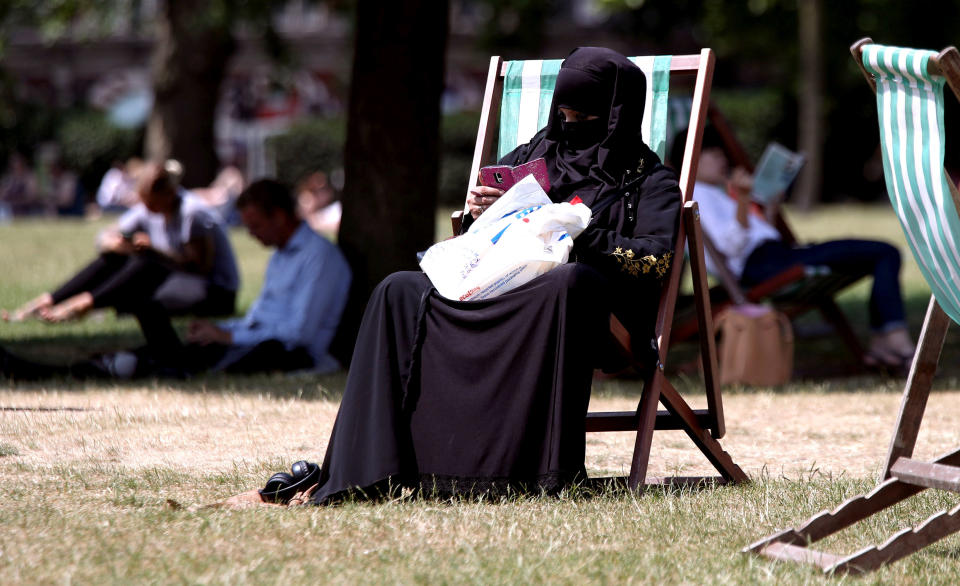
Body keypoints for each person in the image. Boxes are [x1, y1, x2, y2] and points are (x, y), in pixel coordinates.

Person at [224, 47, 682, 506]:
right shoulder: (532, 158)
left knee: (570, 281)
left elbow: (655, 261)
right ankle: (370, 470)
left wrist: (577, 233)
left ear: (616, 116)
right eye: (563, 113)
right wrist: (485, 213)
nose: (569, 124)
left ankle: (531, 474)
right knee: (398, 290)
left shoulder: (649, 183)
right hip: (495, 283)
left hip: (573, 304)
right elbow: (479, 235)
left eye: (584, 115)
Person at [0, 179, 351, 380]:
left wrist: (227, 334)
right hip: (251, 341)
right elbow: (258, 317)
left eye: (257, 225)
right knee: (175, 340)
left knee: (183, 359)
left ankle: (102, 366)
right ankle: (101, 363)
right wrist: (223, 331)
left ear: (281, 216)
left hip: (285, 353)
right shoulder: (280, 256)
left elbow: (298, 335)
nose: (253, 235)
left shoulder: (318, 258)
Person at [672, 126, 915, 375]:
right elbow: (732, 247)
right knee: (885, 252)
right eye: (713, 154)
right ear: (690, 158)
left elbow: (754, 236)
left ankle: (886, 341)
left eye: (721, 153)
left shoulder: (716, 193)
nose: (722, 159)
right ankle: (892, 340)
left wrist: (769, 209)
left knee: (880, 254)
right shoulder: (695, 194)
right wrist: (744, 201)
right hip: (764, 265)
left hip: (774, 257)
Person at [2, 162, 239, 349]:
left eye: (152, 203)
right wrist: (119, 245)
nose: (148, 210)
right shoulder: (149, 208)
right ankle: (50, 300)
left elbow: (200, 267)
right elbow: (105, 237)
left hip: (214, 291)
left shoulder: (192, 213)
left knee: (148, 266)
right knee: (117, 260)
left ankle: (88, 303)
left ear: (168, 194)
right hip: (173, 282)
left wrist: (154, 251)